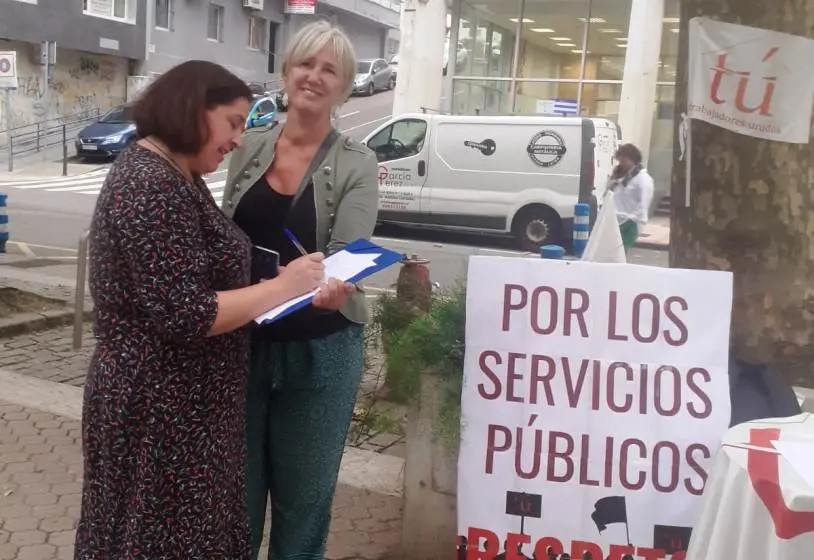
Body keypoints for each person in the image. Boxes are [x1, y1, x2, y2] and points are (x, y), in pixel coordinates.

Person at [75, 60, 351, 559]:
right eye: (232, 123)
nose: (237, 140)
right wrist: (283, 287)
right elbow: (187, 313)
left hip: (188, 412)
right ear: (192, 111)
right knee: (153, 542)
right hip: (159, 413)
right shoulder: (149, 183)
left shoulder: (176, 172)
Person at [221, 20, 379, 559]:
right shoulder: (249, 146)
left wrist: (338, 284)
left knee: (303, 504)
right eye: (304, 64)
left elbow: (349, 253)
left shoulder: (358, 161)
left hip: (320, 348)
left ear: (344, 85)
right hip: (242, 342)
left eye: (328, 69)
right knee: (233, 497)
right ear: (286, 72)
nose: (313, 76)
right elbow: (223, 233)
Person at [608, 143, 654, 252]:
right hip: (615, 220)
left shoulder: (643, 179)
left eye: (624, 159)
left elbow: (643, 205)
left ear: (633, 159)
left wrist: (630, 220)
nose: (621, 163)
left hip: (630, 222)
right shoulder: (620, 176)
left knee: (619, 252)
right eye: (620, 159)